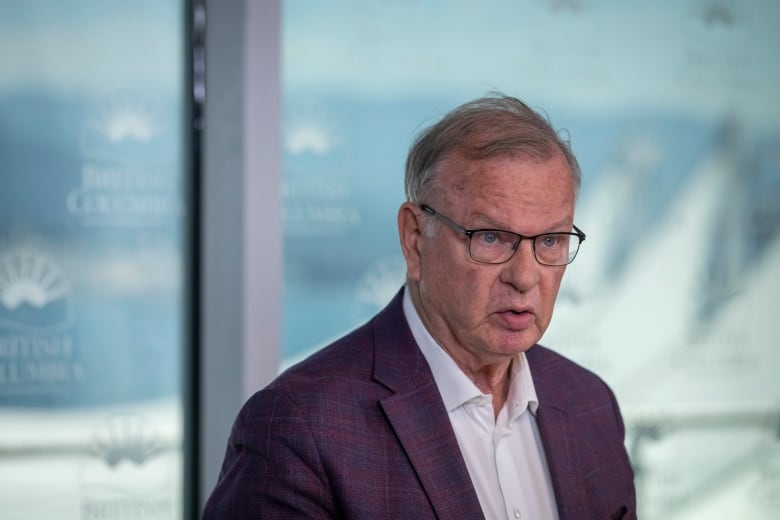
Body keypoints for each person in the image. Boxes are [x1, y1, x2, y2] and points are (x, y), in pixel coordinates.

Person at [203, 93, 636, 519]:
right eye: (489, 237)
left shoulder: (590, 405)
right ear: (414, 238)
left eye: (550, 241)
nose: (524, 277)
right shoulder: (300, 428)